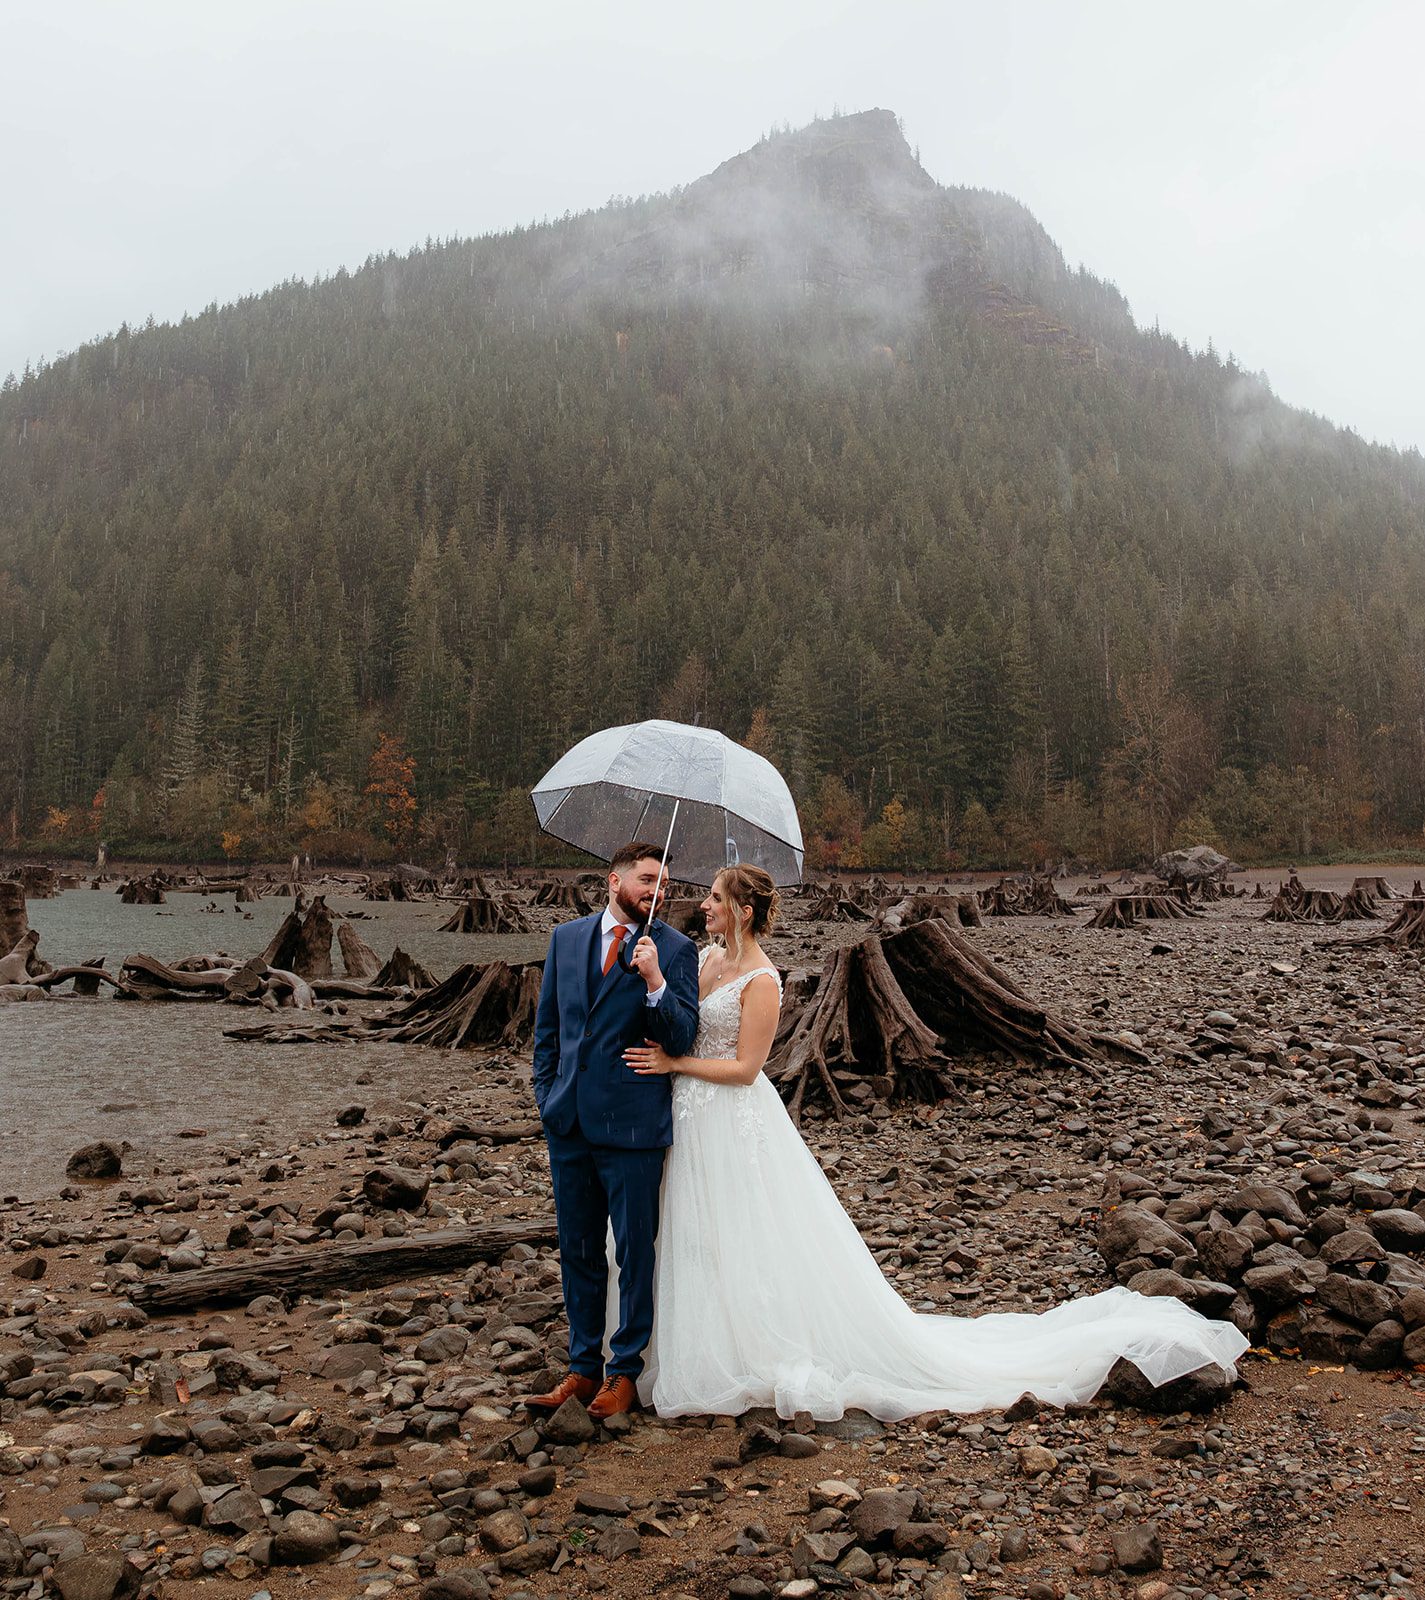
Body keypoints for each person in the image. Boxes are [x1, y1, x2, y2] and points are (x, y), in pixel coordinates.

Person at [622, 864, 1249, 1421]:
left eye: (712, 897)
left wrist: (674, 1067)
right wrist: (652, 978)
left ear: (742, 910)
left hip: (730, 1113)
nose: (701, 905)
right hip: (686, 1115)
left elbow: (746, 1069)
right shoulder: (703, 961)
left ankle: (749, 1346)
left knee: (745, 1228)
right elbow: (676, 1023)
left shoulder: (761, 979)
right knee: (696, 1230)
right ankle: (694, 1337)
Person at [524, 842, 700, 1420]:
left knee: (633, 1252)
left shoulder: (675, 950)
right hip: (568, 1122)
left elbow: (680, 1039)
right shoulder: (566, 939)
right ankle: (581, 1367)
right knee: (577, 1249)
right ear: (614, 880)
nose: (657, 891)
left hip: (632, 1127)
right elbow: (548, 1029)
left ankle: (623, 1371)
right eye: (648, 879)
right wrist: (547, 1097)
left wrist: (654, 982)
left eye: (664, 883)